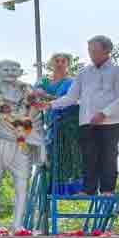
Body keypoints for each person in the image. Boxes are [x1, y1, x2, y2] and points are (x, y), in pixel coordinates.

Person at [47, 35, 119, 195]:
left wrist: (104, 113)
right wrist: (49, 105)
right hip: (86, 121)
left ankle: (107, 189)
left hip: (110, 121)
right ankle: (88, 189)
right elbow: (71, 97)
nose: (92, 53)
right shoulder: (83, 72)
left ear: (107, 51)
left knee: (108, 155)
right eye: (90, 50)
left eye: (95, 50)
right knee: (88, 156)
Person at [36, 52, 83, 189]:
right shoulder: (44, 81)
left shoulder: (72, 82)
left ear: (68, 64)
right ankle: (52, 188)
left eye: (63, 61)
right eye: (57, 61)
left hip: (69, 122)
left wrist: (48, 97)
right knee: (52, 154)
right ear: (52, 63)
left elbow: (71, 100)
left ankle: (74, 187)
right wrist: (43, 95)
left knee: (72, 155)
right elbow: (35, 93)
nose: (60, 64)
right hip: (52, 121)